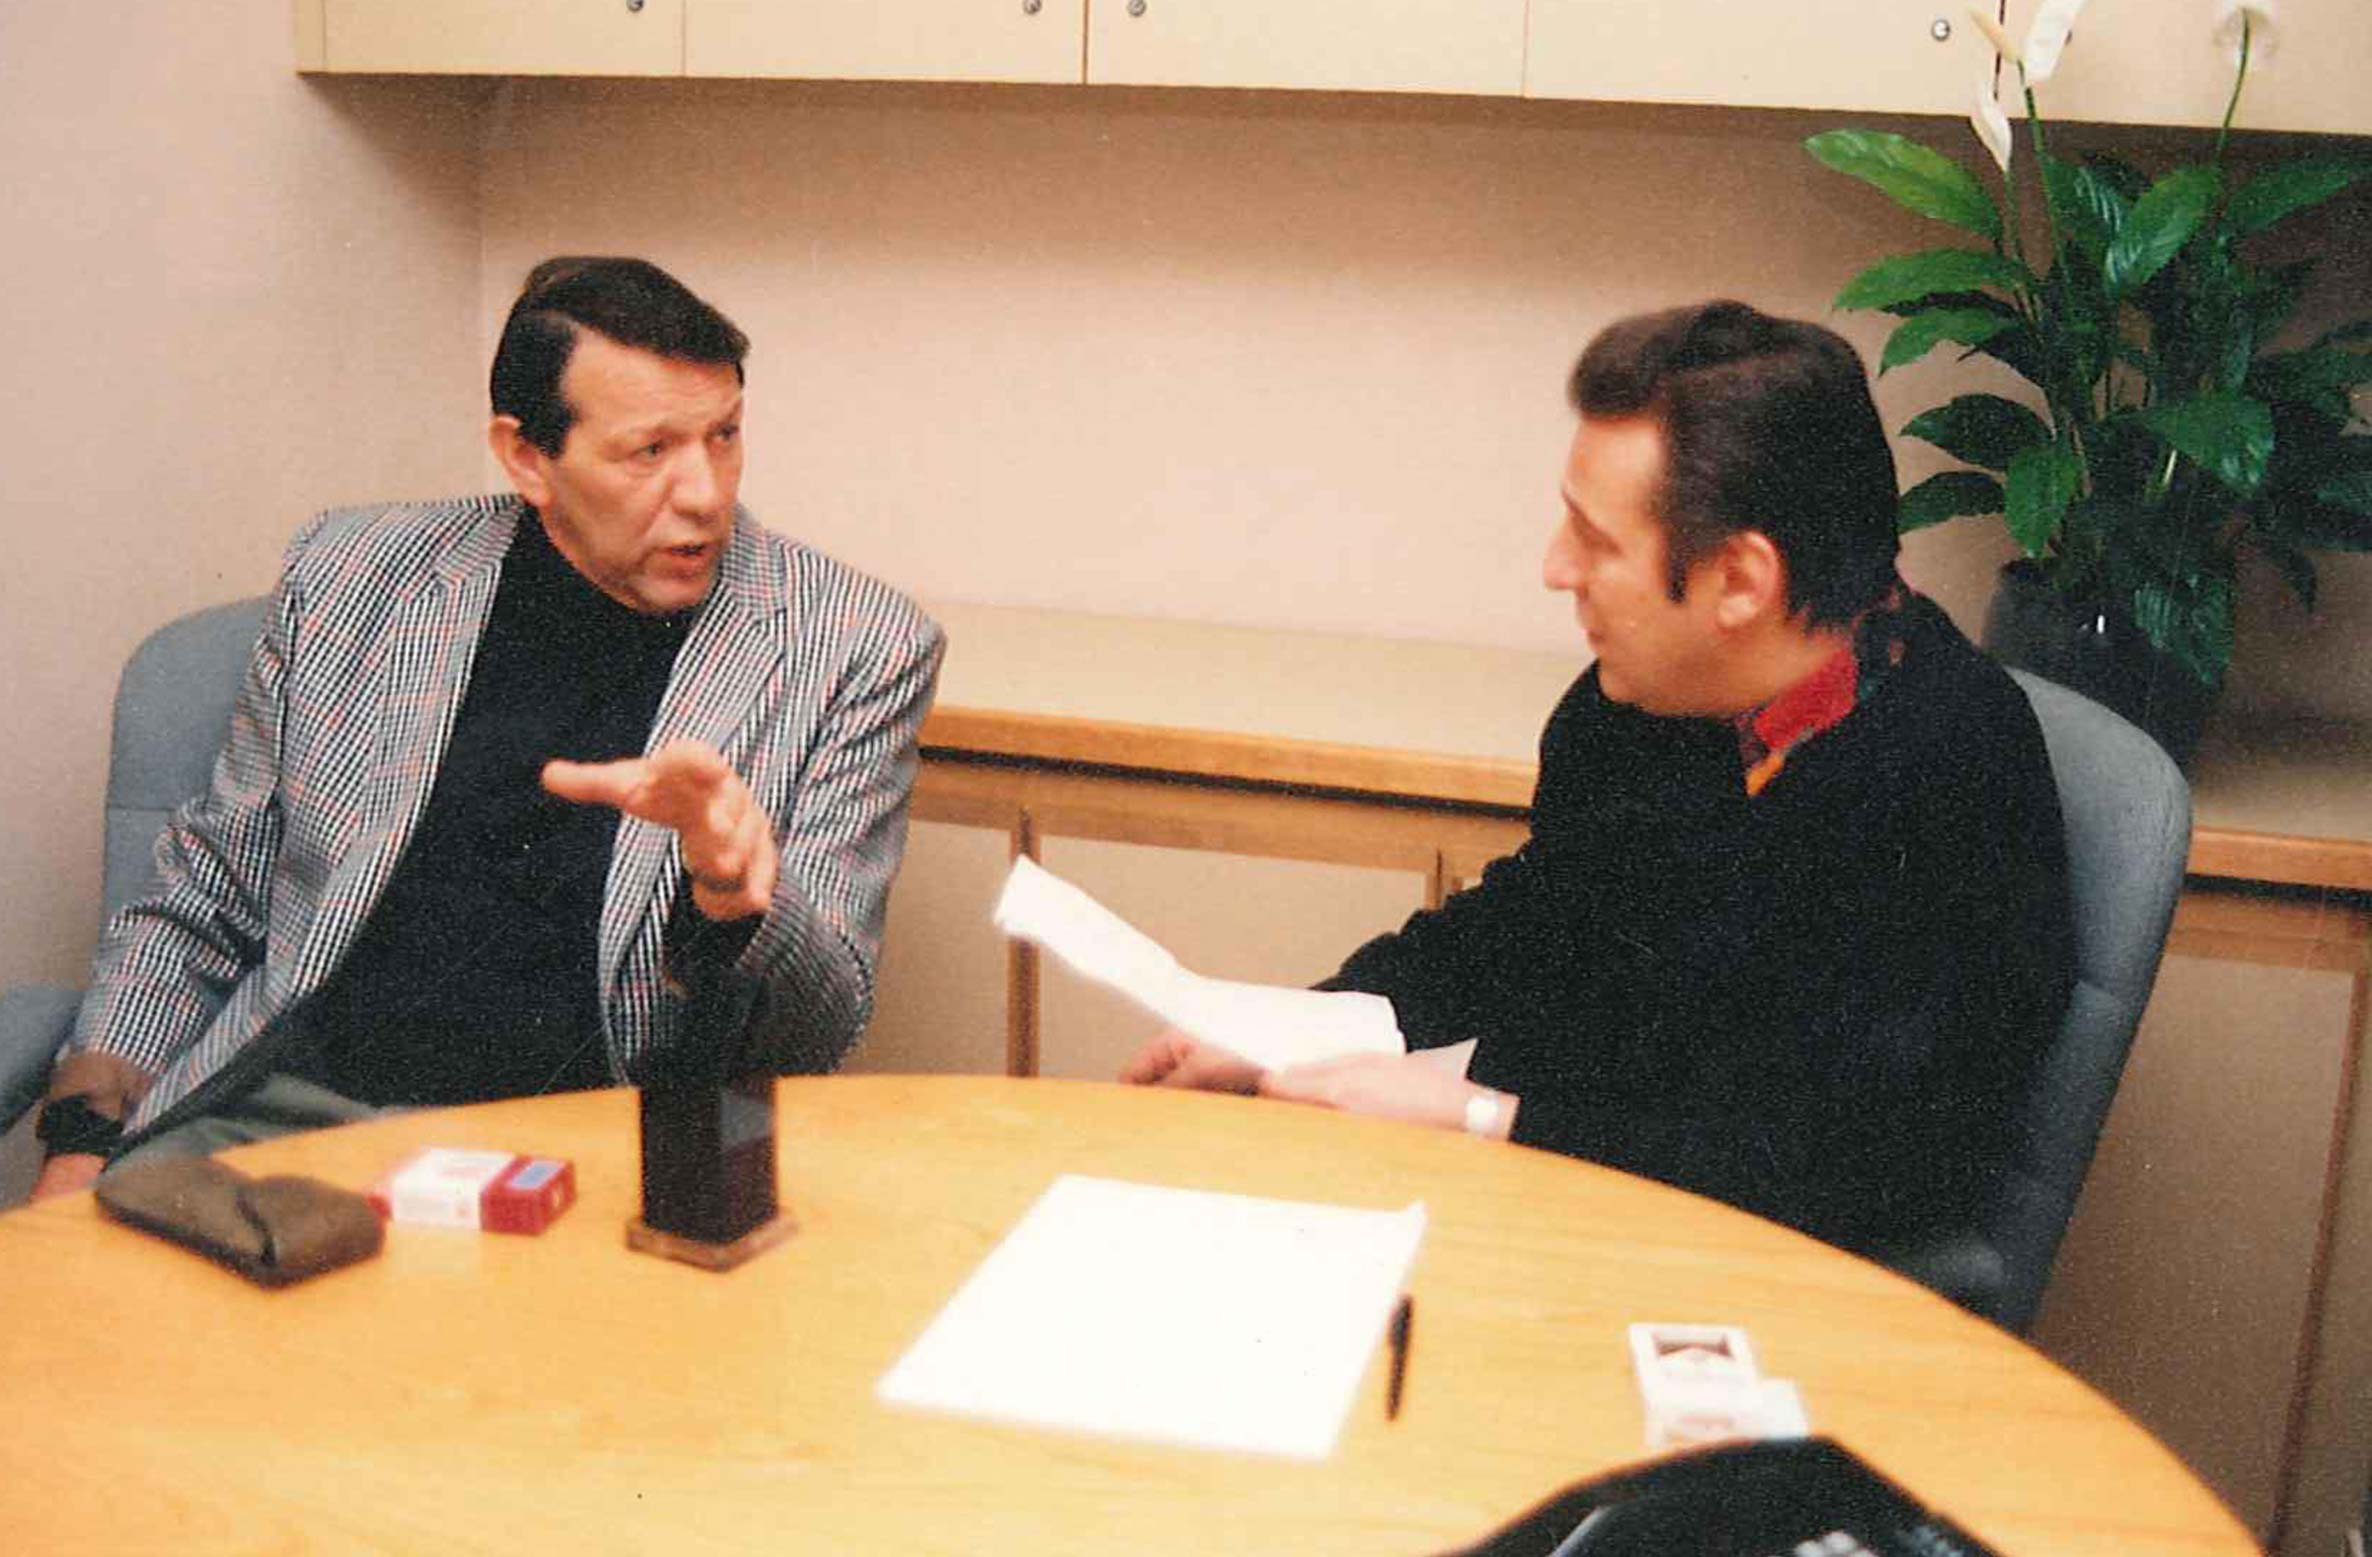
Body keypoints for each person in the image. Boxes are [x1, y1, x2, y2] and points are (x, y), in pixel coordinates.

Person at [1126, 300, 2072, 1266]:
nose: (1554, 567)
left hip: (1758, 1278)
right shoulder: (1641, 704)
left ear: (1740, 581)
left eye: (1596, 540)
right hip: (1552, 1207)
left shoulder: (1959, 778)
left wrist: (1483, 1116)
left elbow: (1852, 1167)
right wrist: (1294, 1027)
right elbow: (1537, 920)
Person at [32, 257, 944, 1199]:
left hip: (586, 1163)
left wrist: (734, 900)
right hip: (287, 1125)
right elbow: (210, 891)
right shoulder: (349, 577)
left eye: (724, 436)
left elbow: (819, 1031)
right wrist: (82, 1139)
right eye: (650, 451)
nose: (706, 493)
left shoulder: (854, 645)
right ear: (526, 458)